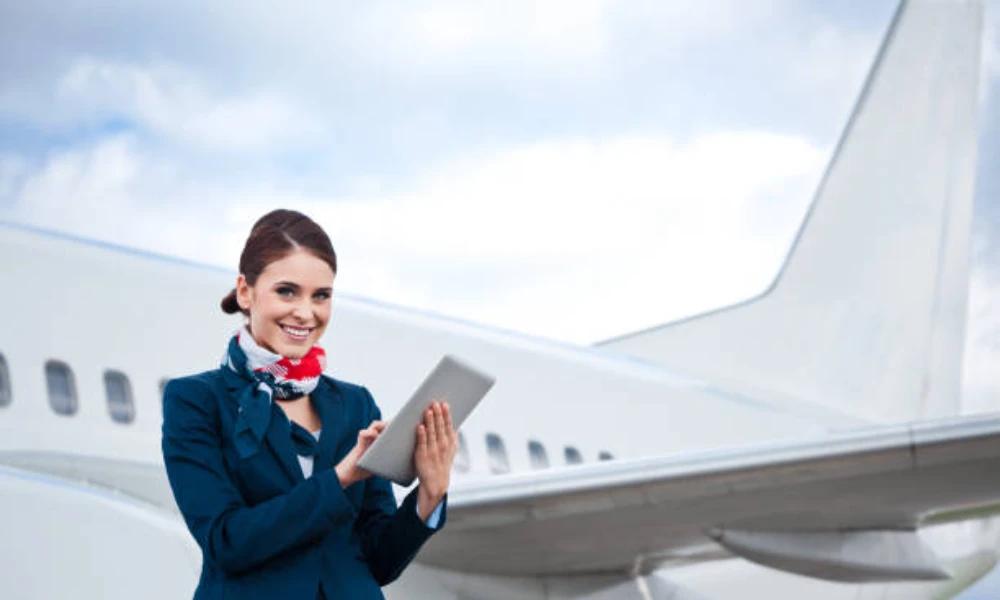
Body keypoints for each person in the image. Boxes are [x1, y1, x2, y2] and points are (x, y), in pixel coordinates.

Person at [161, 209, 457, 599]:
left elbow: (378, 562)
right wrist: (340, 479)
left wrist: (429, 497)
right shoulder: (196, 401)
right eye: (287, 291)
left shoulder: (355, 404)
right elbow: (226, 543)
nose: (305, 312)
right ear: (246, 291)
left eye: (321, 296)